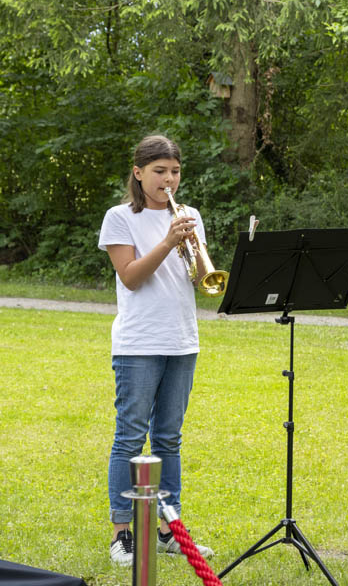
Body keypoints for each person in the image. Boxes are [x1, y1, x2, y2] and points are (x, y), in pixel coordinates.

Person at [97, 134, 215, 565]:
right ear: (138, 172)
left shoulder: (189, 215)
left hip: (181, 340)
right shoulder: (119, 217)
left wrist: (195, 250)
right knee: (130, 435)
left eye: (175, 171)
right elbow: (130, 277)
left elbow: (202, 280)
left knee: (169, 437)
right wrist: (167, 241)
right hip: (139, 342)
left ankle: (170, 531)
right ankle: (122, 533)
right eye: (160, 171)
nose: (169, 179)